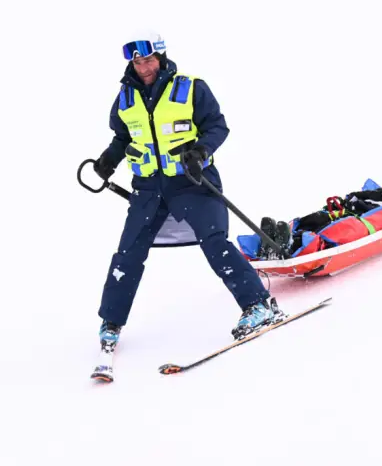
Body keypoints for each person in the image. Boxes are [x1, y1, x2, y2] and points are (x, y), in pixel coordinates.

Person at [91, 31, 281, 345]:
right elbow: (123, 138)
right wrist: (108, 160)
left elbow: (217, 125)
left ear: (161, 57)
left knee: (215, 241)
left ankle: (258, 304)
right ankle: (111, 322)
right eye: (138, 62)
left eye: (149, 60)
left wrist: (201, 151)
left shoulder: (190, 88)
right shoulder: (125, 97)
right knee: (128, 253)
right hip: (147, 189)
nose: (144, 67)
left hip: (192, 182)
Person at [256, 186, 382, 260]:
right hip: (345, 213)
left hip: (361, 222)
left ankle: (292, 245)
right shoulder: (375, 193)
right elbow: (354, 197)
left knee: (337, 231)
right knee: (316, 219)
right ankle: (276, 242)